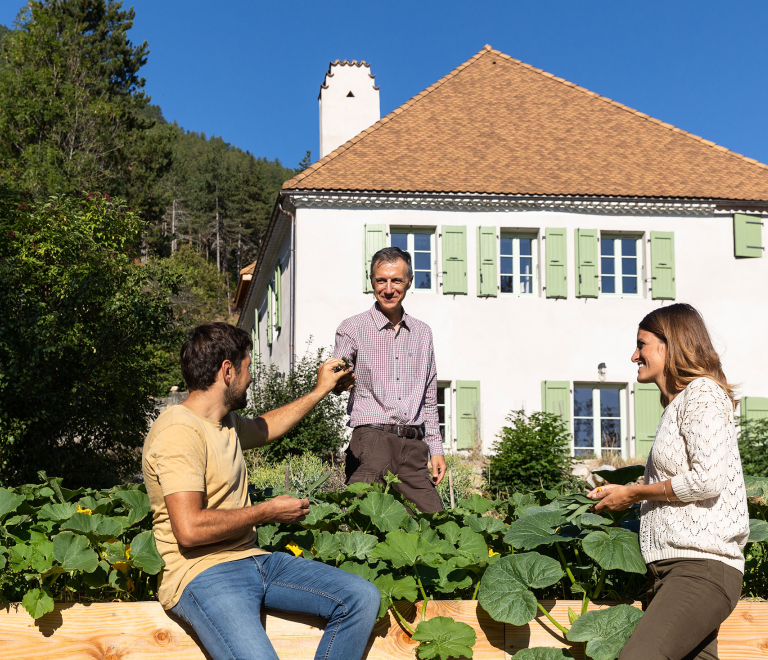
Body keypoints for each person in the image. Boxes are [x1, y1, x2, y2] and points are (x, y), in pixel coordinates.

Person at [142, 322, 380, 660]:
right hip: (202, 573)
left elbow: (267, 427)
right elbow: (189, 529)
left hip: (255, 561)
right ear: (228, 371)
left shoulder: (225, 422)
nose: (251, 377)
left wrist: (320, 390)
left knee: (361, 597)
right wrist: (267, 511)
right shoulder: (178, 432)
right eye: (248, 366)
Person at [588, 303, 749, 660]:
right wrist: (624, 490)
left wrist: (633, 492)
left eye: (641, 344)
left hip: (700, 571)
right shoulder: (677, 406)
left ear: (668, 344)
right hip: (676, 572)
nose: (634, 355)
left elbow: (707, 480)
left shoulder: (703, 393)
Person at [332, 246, 446, 513]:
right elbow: (336, 373)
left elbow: (429, 396)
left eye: (396, 280)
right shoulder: (352, 328)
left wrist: (436, 449)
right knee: (356, 520)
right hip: (373, 442)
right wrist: (340, 379)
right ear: (372, 282)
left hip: (414, 447)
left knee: (436, 521)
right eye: (381, 280)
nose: (388, 288)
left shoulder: (422, 333)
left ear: (409, 281)